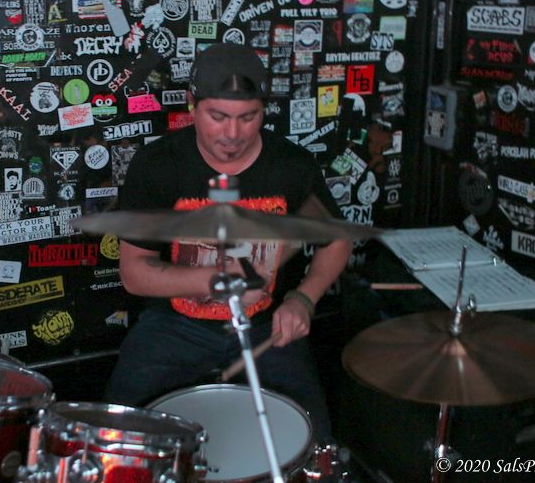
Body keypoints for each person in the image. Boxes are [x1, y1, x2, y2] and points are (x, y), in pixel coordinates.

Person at [104, 43, 352, 441]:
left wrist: (303, 299)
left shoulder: (291, 166)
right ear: (192, 105)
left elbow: (336, 241)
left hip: (265, 328)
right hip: (173, 327)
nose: (233, 134)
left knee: (314, 440)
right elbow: (134, 273)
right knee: (119, 437)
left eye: (247, 117)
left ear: (263, 110)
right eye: (218, 117)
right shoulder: (158, 166)